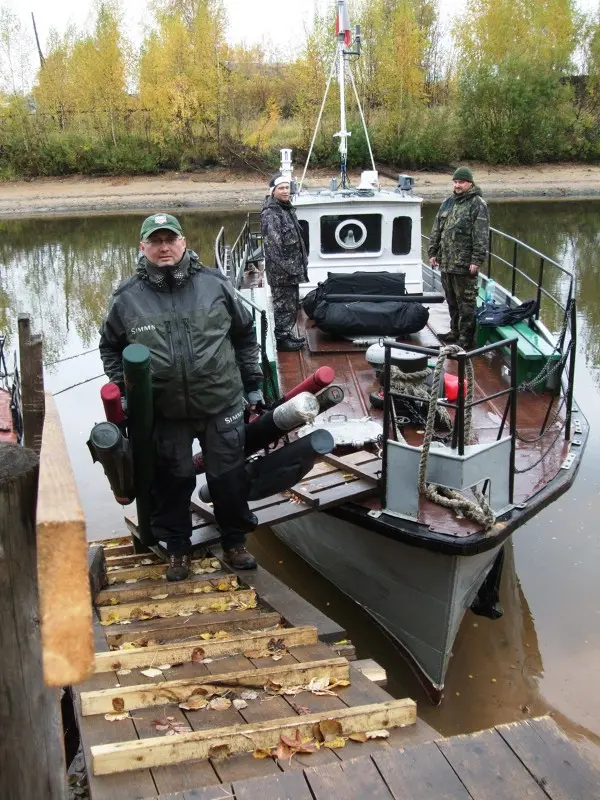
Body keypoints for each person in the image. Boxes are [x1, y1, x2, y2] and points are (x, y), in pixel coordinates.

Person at [99, 213, 263, 581]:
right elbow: (110, 347)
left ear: (183, 243)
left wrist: (254, 384)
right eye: (155, 241)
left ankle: (235, 543)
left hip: (220, 400)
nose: (163, 248)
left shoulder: (214, 284)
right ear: (142, 248)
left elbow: (244, 334)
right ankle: (177, 549)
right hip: (164, 409)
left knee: (229, 476)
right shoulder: (127, 299)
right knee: (172, 479)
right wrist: (126, 389)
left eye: (170, 240)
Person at [427, 166, 490, 349]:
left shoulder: (478, 204)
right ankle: (454, 331)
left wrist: (476, 260)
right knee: (452, 301)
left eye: (461, 182)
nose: (457, 185)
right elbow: (437, 229)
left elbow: (481, 235)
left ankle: (465, 338)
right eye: (455, 182)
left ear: (469, 183)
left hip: (464, 264)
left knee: (466, 304)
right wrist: (432, 252)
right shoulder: (448, 202)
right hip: (446, 262)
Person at [260, 173, 309, 351]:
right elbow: (273, 248)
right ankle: (282, 339)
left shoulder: (286, 209)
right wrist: (289, 270)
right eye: (281, 188)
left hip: (292, 271)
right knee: (282, 306)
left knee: (291, 305)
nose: (285, 191)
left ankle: (288, 333)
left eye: (287, 187)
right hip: (282, 273)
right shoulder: (271, 213)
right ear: (273, 191)